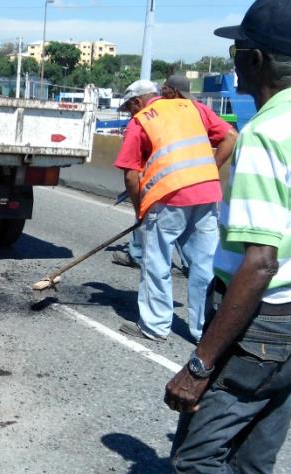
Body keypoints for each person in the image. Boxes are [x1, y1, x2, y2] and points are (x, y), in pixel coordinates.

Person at [166, 1, 291, 474]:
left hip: (260, 325)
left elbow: (259, 261)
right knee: (253, 463)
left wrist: (198, 366)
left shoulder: (263, 136)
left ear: (256, 59)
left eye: (236, 50)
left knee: (196, 458)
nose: (232, 61)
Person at [115, 77, 235, 343]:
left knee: (156, 262)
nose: (129, 114)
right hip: (206, 192)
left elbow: (131, 177)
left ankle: (154, 327)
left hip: (168, 196)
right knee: (204, 265)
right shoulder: (193, 107)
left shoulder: (141, 120)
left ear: (137, 101)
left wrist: (140, 210)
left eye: (129, 108)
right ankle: (204, 330)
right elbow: (230, 136)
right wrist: (207, 170)